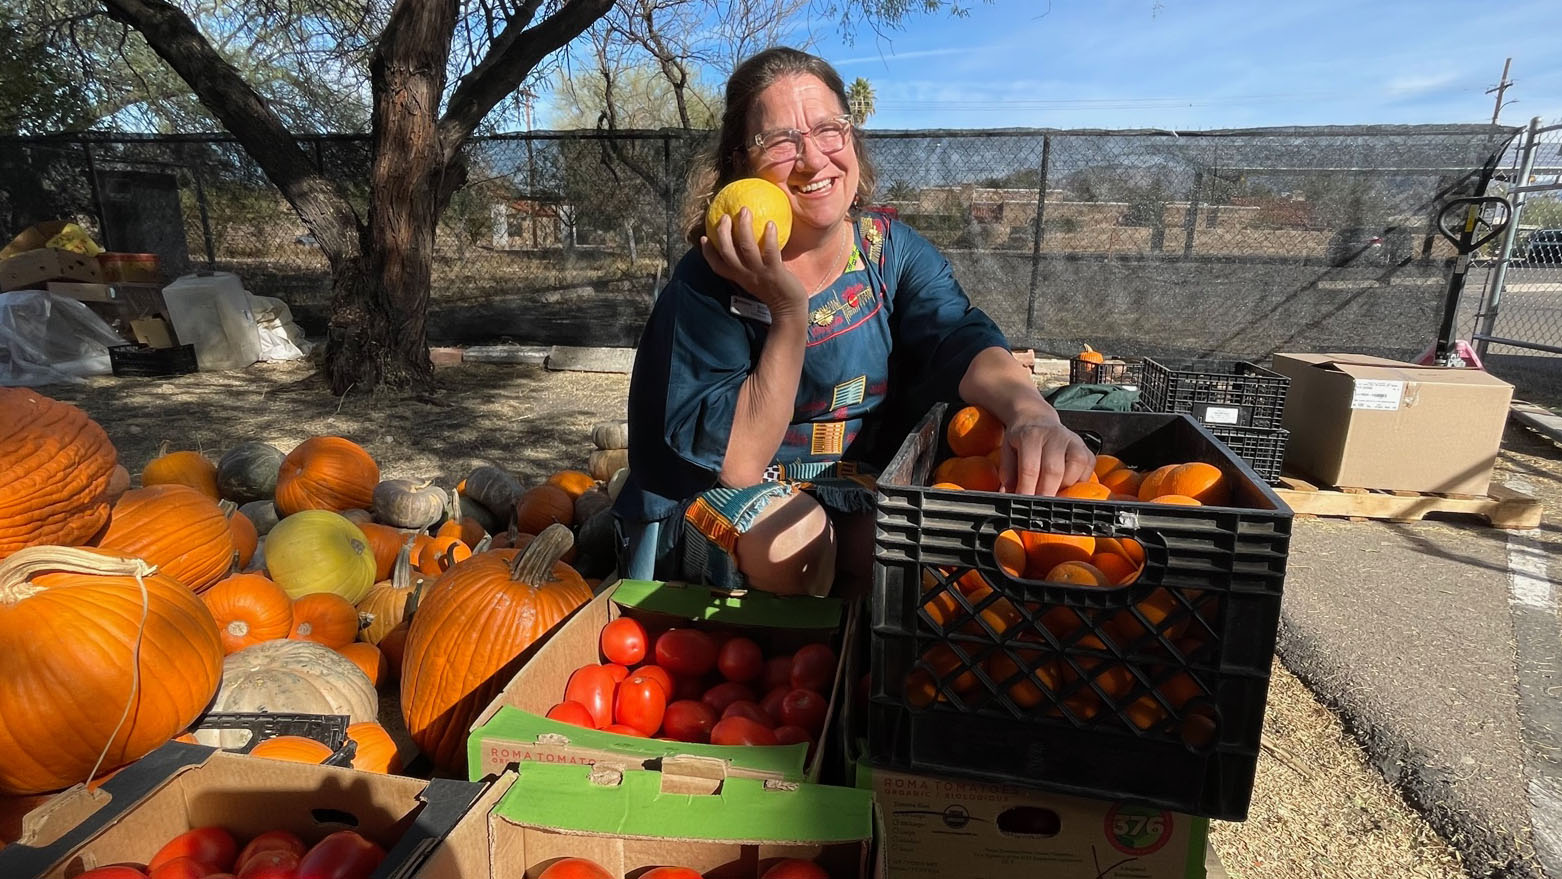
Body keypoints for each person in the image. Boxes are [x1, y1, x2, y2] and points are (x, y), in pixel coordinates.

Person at [613, 46, 1093, 597]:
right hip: (719, 502)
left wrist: (1031, 412)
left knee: (928, 556)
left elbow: (958, 335)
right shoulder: (711, 280)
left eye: (827, 130)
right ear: (741, 165)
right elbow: (739, 463)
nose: (813, 160)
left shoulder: (888, 253)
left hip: (849, 489)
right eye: (780, 141)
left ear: (852, 140)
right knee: (796, 542)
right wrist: (789, 312)